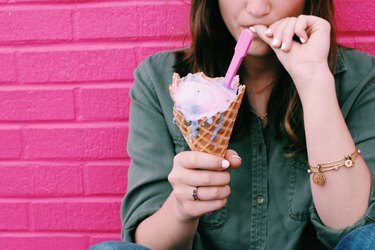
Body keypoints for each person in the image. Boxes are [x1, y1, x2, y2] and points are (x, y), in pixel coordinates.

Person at [90, 0, 375, 249]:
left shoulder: (359, 77)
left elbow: (355, 233)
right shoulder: (160, 79)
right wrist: (182, 207)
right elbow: (145, 245)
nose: (257, 8)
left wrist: (313, 80)